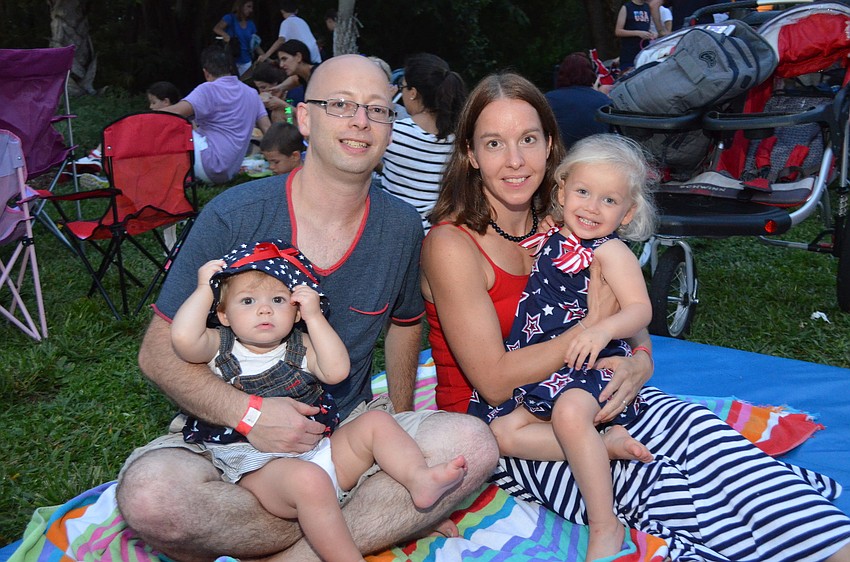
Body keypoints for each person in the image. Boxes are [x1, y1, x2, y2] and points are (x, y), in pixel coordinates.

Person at [421, 70, 850, 561]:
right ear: (471, 155)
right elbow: (494, 381)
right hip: (515, 425)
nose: (515, 160)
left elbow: (632, 316)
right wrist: (588, 331)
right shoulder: (453, 245)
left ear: (550, 147)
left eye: (528, 140)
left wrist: (640, 360)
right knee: (659, 480)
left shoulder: (568, 219)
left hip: (589, 384)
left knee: (705, 434)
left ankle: (834, 543)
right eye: (494, 143)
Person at [115, 54, 498, 562]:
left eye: (378, 110)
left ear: (390, 127)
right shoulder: (234, 215)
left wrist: (401, 454)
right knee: (153, 499)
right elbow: (157, 355)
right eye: (340, 105)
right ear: (304, 118)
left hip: (347, 431)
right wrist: (250, 414)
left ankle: (296, 551)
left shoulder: (403, 227)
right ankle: (354, 528)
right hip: (229, 444)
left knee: (474, 447)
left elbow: (406, 327)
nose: (360, 122)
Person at [170, 239, 468, 562]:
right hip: (262, 469)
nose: (264, 309)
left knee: (377, 423)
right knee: (309, 482)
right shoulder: (219, 346)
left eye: (278, 299)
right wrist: (203, 289)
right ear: (224, 315)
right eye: (247, 300)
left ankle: (419, 479)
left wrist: (314, 318)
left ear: (295, 310)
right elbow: (183, 339)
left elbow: (338, 370)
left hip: (320, 451)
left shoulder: (302, 345)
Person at [471, 134, 657, 561]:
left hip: (591, 363)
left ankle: (605, 524)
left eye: (609, 201)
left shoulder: (610, 253)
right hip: (546, 358)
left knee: (571, 413)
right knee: (501, 432)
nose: (592, 207)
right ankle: (603, 445)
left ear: (627, 213)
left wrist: (601, 328)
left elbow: (640, 310)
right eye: (583, 192)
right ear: (561, 192)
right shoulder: (554, 233)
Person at [161, 44, 271, 185]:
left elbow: (175, 112)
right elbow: (268, 130)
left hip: (209, 165)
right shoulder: (252, 93)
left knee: (176, 125)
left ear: (206, 73)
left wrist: (143, 117)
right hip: (230, 172)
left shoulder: (208, 89)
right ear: (230, 68)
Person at [380, 53, 467, 231]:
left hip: (395, 231)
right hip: (436, 235)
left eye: (402, 87)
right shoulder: (458, 138)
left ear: (412, 93)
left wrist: (384, 103)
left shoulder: (393, 133)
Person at [544, 52, 611, 150]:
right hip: (594, 155)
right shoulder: (603, 100)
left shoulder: (548, 100)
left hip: (560, 155)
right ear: (590, 73)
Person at [258, 1, 322, 66]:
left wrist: (265, 56)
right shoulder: (302, 21)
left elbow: (281, 40)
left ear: (282, 11)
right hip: (315, 54)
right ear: (296, 11)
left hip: (304, 55)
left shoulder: (286, 22)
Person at [213, 0, 263, 77]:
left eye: (252, 7)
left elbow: (255, 45)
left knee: (245, 84)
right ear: (240, 6)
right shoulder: (230, 18)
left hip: (246, 61)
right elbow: (217, 28)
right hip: (231, 59)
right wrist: (225, 35)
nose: (251, 10)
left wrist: (266, 57)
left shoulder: (251, 24)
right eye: (248, 6)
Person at [615, 0, 655, 74]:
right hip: (629, 53)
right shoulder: (627, 7)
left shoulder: (647, 7)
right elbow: (618, 31)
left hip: (643, 52)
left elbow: (645, 27)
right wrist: (637, 33)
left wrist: (651, 34)